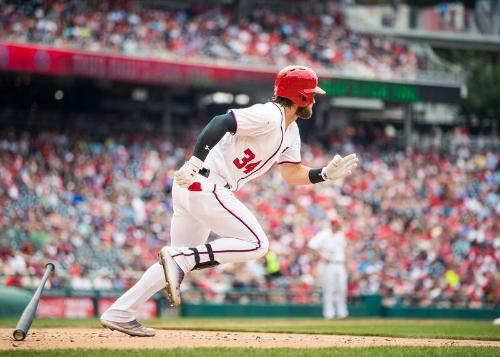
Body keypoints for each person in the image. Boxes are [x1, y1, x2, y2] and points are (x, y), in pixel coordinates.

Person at [100, 65, 359, 336]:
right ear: (301, 97)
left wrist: (324, 174)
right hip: (205, 182)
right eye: (311, 94)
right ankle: (180, 260)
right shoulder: (270, 115)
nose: (315, 99)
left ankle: (120, 312)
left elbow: (291, 172)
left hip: (197, 189)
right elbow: (221, 121)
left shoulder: (290, 130)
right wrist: (195, 162)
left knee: (175, 262)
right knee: (257, 244)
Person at [308, 213, 348, 320]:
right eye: (338, 225)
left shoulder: (340, 234)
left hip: (340, 264)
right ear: (333, 225)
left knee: (342, 289)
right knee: (329, 289)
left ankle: (342, 313)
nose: (339, 227)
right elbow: (311, 246)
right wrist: (322, 257)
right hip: (329, 264)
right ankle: (329, 313)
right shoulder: (324, 234)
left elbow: (344, 250)